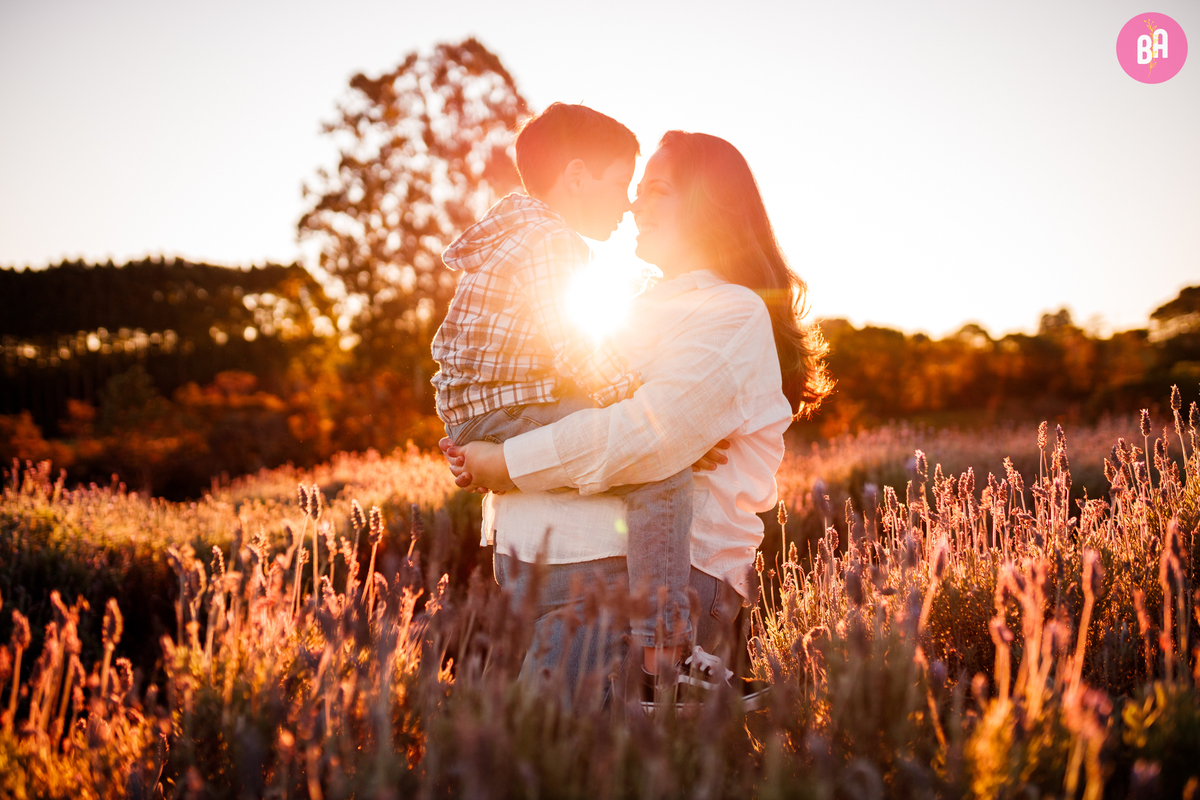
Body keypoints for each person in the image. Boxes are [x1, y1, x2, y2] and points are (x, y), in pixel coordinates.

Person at [445, 130, 831, 710]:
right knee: (534, 757)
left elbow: (641, 440)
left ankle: (665, 665)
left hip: (624, 590)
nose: (632, 204)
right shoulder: (622, 305)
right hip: (548, 579)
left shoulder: (731, 311)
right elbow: (556, 402)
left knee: (553, 755)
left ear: (706, 208)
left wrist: (504, 462)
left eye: (657, 190)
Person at [429, 103, 697, 681]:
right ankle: (665, 652)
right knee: (663, 465)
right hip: (510, 410)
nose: (628, 202)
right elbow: (579, 349)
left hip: (485, 414)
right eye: (621, 182)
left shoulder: (513, 233)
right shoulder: (552, 243)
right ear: (576, 176)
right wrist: (646, 408)